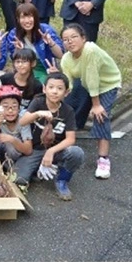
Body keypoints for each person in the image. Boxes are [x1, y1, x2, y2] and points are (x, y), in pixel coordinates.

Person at [60, 23, 121, 180]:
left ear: (83, 38)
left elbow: (93, 77)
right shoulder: (66, 59)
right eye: (65, 39)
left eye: (74, 37)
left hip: (107, 84)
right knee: (68, 106)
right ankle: (70, 135)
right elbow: (70, 86)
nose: (70, 42)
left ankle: (103, 159)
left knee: (101, 116)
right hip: (88, 84)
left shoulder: (90, 50)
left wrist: (96, 105)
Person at [16, 72, 85, 201]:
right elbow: (22, 121)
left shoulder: (68, 111)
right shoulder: (38, 102)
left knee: (76, 153)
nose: (55, 92)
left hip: (56, 151)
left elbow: (71, 139)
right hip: (35, 150)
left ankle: (62, 180)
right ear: (44, 88)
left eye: (60, 88)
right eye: (51, 87)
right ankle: (36, 170)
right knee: (19, 179)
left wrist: (51, 151)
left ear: (66, 92)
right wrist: (37, 114)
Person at [4, 3, 64, 83]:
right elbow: (14, 59)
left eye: (30, 16)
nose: (27, 21)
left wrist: (51, 43)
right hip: (24, 68)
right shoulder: (14, 34)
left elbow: (60, 55)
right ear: (18, 19)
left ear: (35, 18)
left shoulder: (45, 29)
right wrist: (18, 50)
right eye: (23, 17)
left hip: (45, 67)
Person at [0, 85, 32, 163]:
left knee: (10, 145)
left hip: (15, 153)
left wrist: (13, 140)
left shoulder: (23, 119)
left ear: (19, 108)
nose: (10, 110)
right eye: (5, 106)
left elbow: (29, 150)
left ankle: (10, 167)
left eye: (14, 106)